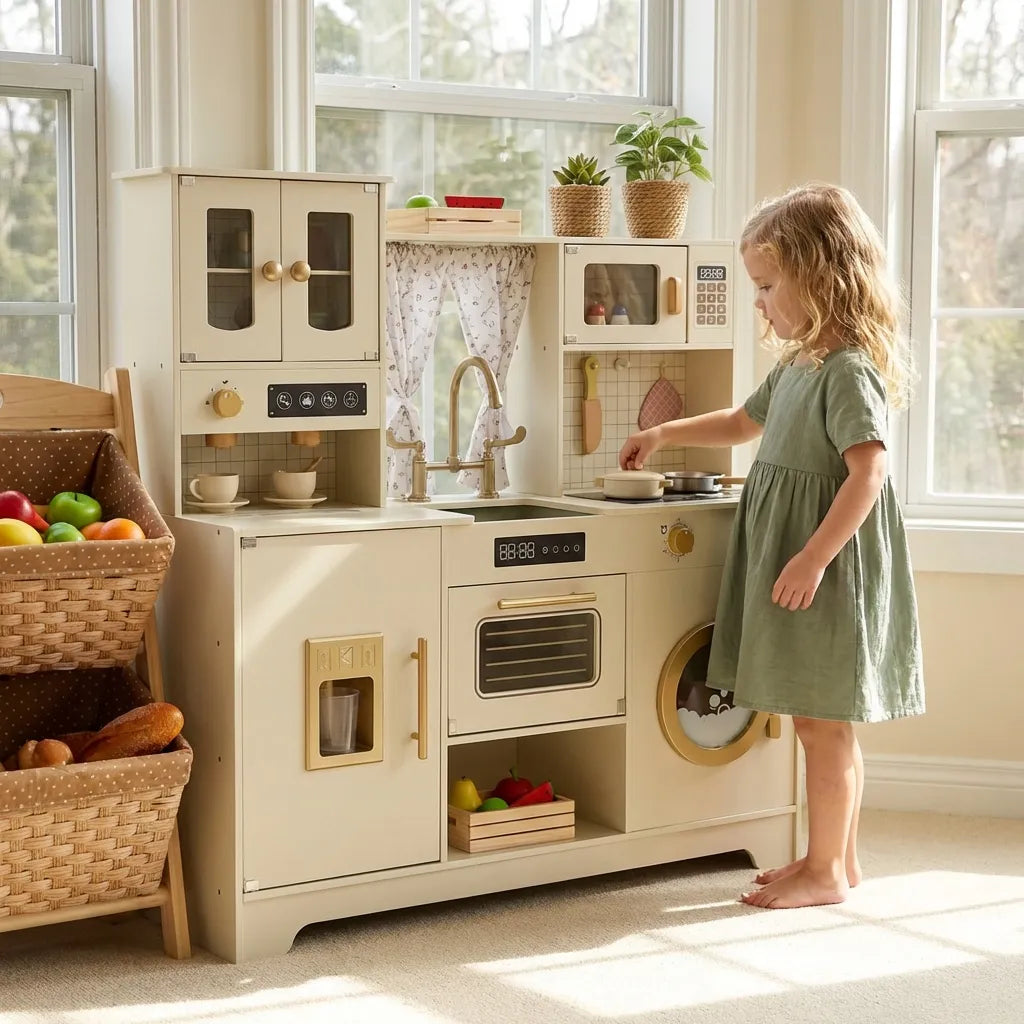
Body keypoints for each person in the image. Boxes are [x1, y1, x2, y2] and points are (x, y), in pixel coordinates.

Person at [619, 183, 924, 910]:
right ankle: (836, 862)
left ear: (818, 276)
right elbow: (740, 421)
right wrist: (664, 434)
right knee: (819, 721)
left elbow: (869, 471)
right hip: (801, 559)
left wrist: (814, 556)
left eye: (766, 285)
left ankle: (823, 874)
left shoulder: (847, 368)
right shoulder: (799, 363)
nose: (758, 301)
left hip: (827, 568)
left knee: (823, 724)